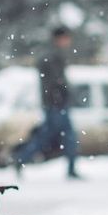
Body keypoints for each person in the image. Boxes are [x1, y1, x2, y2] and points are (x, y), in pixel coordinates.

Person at [13, 26, 81, 179]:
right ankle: (22, 157)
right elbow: (56, 82)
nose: (68, 42)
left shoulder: (51, 54)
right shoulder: (52, 56)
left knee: (60, 136)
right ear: (60, 38)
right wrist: (62, 96)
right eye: (66, 38)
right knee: (53, 136)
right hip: (56, 105)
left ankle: (70, 168)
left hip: (55, 104)